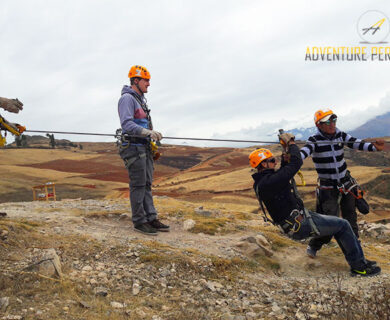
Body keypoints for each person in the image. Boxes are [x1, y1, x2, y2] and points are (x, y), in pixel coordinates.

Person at [250, 134, 381, 276]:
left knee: (337, 225)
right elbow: (295, 164)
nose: (275, 163)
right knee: (343, 225)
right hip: (301, 224)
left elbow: (283, 173)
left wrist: (285, 158)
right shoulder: (270, 182)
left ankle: (360, 261)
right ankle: (359, 267)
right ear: (263, 164)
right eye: (272, 160)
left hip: (298, 220)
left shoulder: (264, 182)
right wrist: (292, 144)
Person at [300, 109, 384, 258]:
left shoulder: (340, 135)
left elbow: (356, 144)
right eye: (328, 122)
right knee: (329, 221)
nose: (332, 124)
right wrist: (292, 156)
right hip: (328, 187)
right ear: (319, 125)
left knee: (351, 219)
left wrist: (374, 147)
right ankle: (314, 246)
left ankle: (355, 252)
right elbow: (304, 152)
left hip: (346, 184)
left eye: (334, 120)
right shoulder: (314, 140)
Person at [118, 65, 169, 236]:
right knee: (138, 185)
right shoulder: (127, 99)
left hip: (143, 147)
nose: (148, 84)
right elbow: (126, 124)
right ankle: (140, 221)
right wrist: (147, 132)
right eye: (146, 80)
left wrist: (151, 140)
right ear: (136, 81)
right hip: (133, 147)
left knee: (146, 184)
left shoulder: (140, 100)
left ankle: (151, 218)